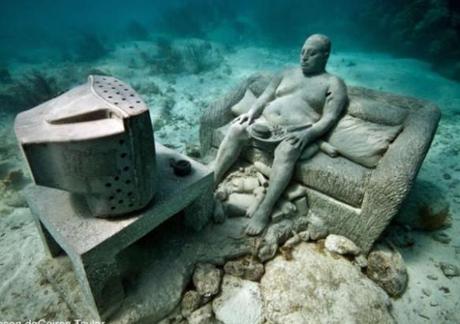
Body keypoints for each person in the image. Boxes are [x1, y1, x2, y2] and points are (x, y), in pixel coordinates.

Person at [214, 34, 348, 235]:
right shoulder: (286, 72)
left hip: (296, 132)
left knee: (286, 152)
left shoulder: (333, 83)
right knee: (236, 129)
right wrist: (250, 114)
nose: (304, 57)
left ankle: (264, 210)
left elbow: (329, 118)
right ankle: (211, 181)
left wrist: (309, 134)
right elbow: (265, 96)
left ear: (325, 55)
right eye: (303, 52)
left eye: (311, 54)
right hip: (264, 123)